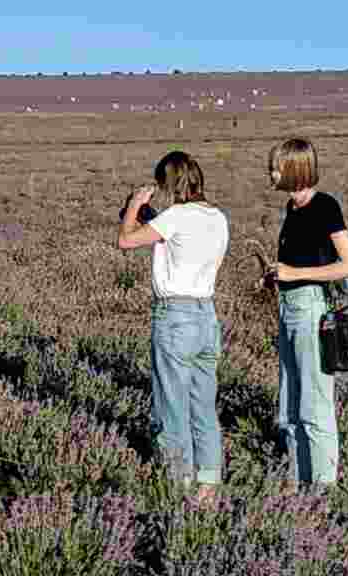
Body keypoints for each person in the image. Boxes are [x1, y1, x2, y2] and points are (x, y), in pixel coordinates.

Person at [117, 150, 230, 505]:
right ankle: (208, 486)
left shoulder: (176, 216)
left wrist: (135, 205)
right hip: (206, 315)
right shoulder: (218, 217)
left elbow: (125, 240)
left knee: (172, 407)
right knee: (203, 406)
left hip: (175, 317)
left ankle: (179, 488)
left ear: (169, 184)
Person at [265, 138, 348, 487]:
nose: (270, 173)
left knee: (315, 404)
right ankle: (298, 484)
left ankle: (323, 489)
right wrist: (278, 276)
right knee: (290, 404)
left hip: (310, 308)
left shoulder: (325, 207)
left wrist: (295, 273)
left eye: (275, 167)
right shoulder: (292, 208)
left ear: (294, 168)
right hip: (288, 306)